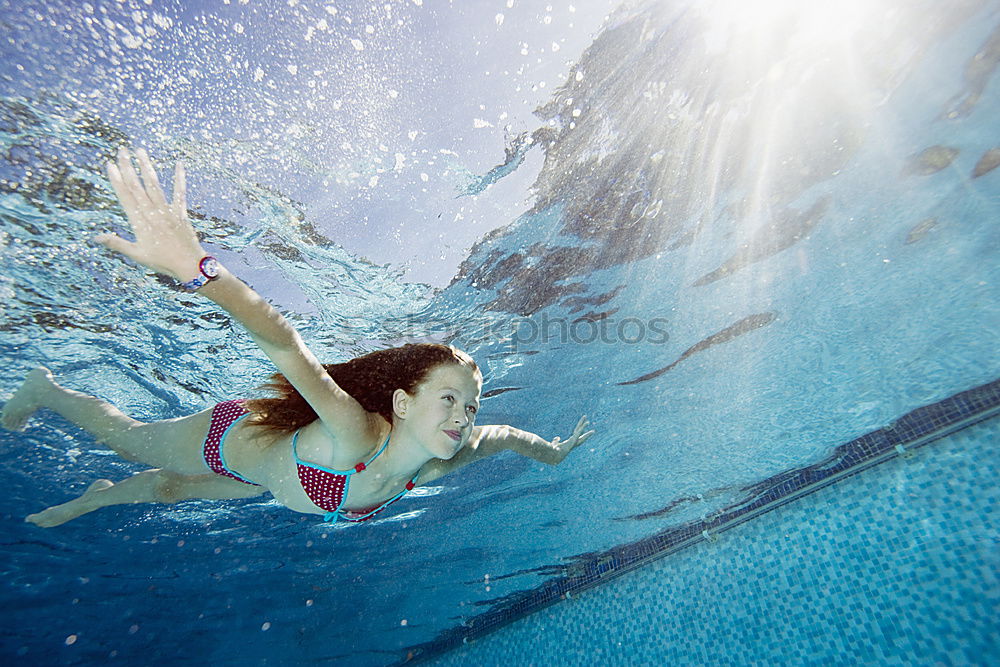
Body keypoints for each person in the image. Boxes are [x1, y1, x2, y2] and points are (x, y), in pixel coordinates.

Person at [2, 148, 594, 528]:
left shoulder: (447, 458)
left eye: (470, 405)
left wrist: (558, 452)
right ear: (402, 403)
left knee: (165, 492)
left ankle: (98, 495)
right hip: (230, 441)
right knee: (131, 441)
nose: (465, 417)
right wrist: (197, 269)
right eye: (449, 400)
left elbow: (512, 436)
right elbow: (287, 345)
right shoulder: (355, 433)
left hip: (261, 480)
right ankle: (46, 387)